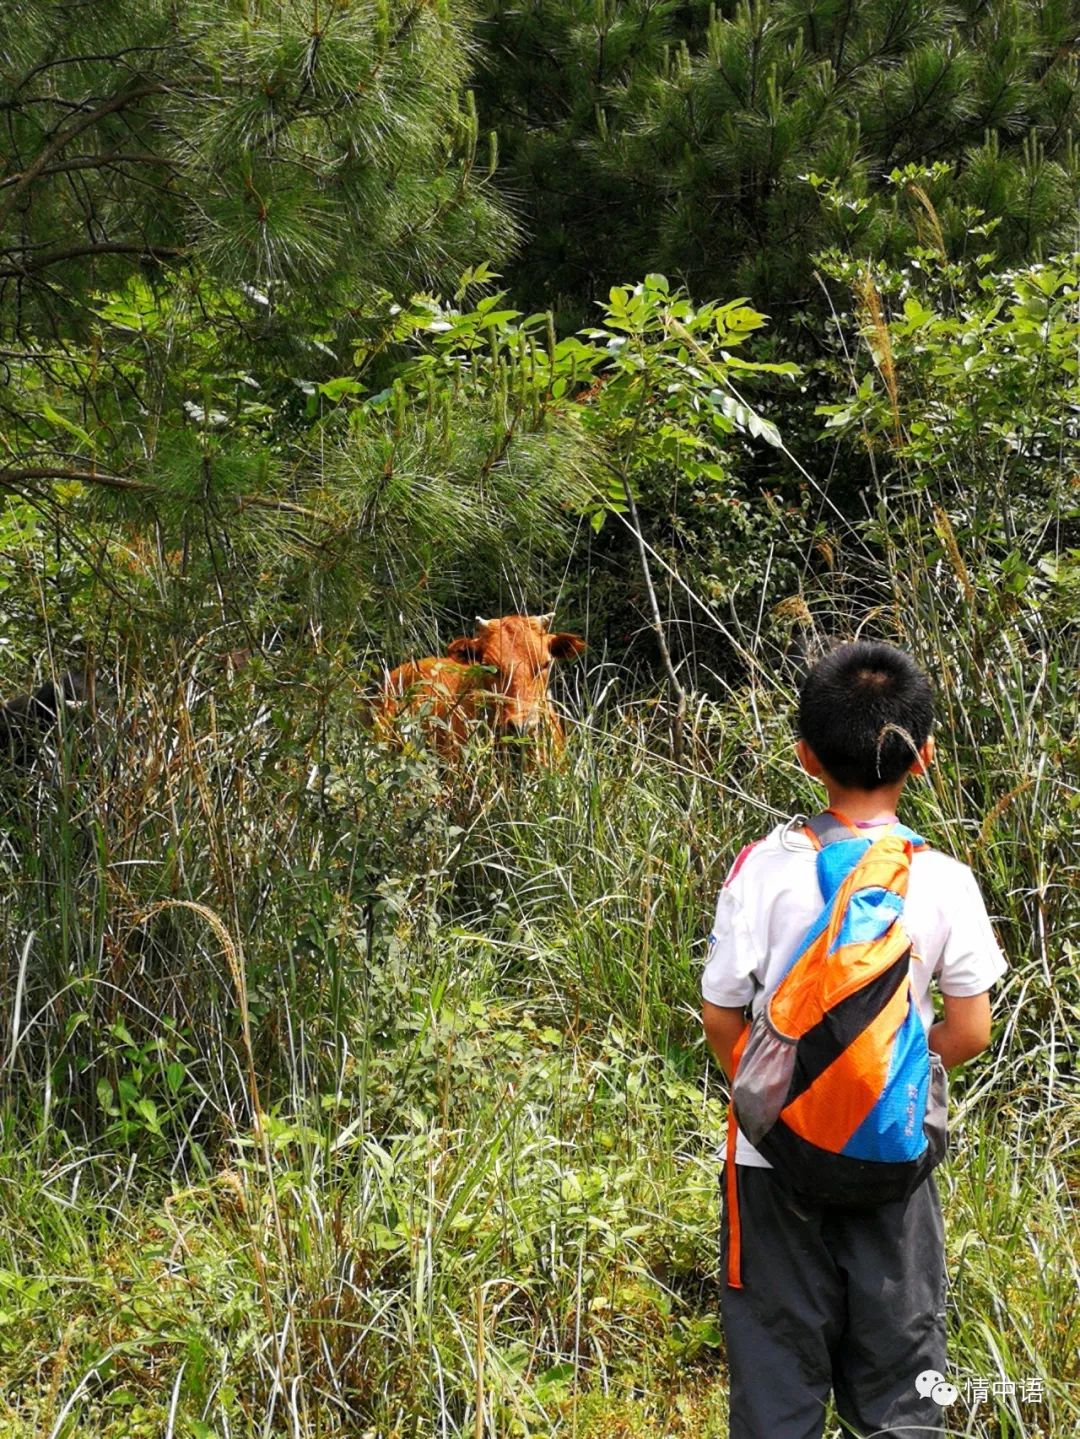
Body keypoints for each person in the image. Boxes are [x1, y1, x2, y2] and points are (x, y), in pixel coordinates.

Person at [701, 641, 1007, 1439]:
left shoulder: (760, 869)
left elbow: (721, 1018)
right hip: (895, 1155)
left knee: (776, 1380)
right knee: (909, 1383)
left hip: (770, 1168)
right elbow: (971, 1029)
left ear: (806, 755)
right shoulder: (945, 879)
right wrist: (886, 1073)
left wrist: (785, 1100)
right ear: (925, 755)